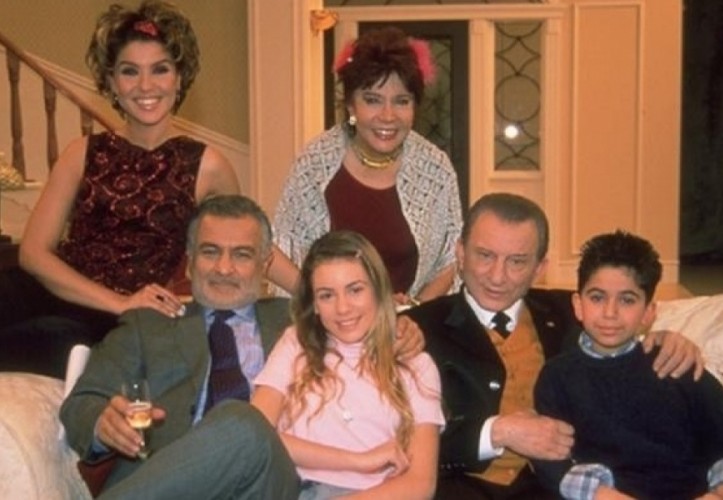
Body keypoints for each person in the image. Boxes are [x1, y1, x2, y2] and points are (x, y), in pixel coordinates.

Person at [404, 192, 703, 499]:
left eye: (517, 261)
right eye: (485, 256)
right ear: (460, 253)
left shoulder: (575, 312)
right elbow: (393, 438)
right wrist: (496, 433)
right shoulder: (415, 328)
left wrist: (664, 340)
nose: (497, 276)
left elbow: (622, 339)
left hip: (560, 488)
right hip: (458, 489)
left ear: (540, 268)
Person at [0, 0, 239, 376]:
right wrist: (118, 301)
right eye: (130, 71)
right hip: (53, 293)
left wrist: (311, 284)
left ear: (180, 77)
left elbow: (248, 243)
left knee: (59, 340)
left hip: (107, 326)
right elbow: (33, 253)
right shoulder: (81, 152)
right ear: (111, 82)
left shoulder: (209, 166)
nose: (145, 85)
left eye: (160, 69)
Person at [60, 194, 297, 498]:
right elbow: (82, 402)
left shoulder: (297, 323)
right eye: (210, 252)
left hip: (269, 484)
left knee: (247, 421)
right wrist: (102, 423)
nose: (224, 268)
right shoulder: (148, 325)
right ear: (189, 261)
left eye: (242, 255)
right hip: (172, 485)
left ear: (265, 264)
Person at [532, 230, 723, 499]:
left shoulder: (673, 362)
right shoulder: (558, 377)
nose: (610, 313)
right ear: (578, 305)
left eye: (627, 300)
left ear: (648, 313)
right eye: (597, 297)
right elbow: (551, 462)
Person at [269, 26, 463, 307]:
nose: (388, 116)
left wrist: (413, 309)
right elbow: (277, 249)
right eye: (372, 100)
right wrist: (323, 300)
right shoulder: (314, 164)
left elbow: (451, 257)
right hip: (328, 321)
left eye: (401, 101)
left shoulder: (436, 170)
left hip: (407, 325)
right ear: (351, 105)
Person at [252, 230, 444, 500]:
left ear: (379, 290)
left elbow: (420, 484)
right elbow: (255, 435)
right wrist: (359, 461)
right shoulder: (296, 343)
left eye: (355, 290)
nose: (343, 308)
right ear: (314, 304)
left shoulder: (416, 364)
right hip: (290, 487)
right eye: (327, 295)